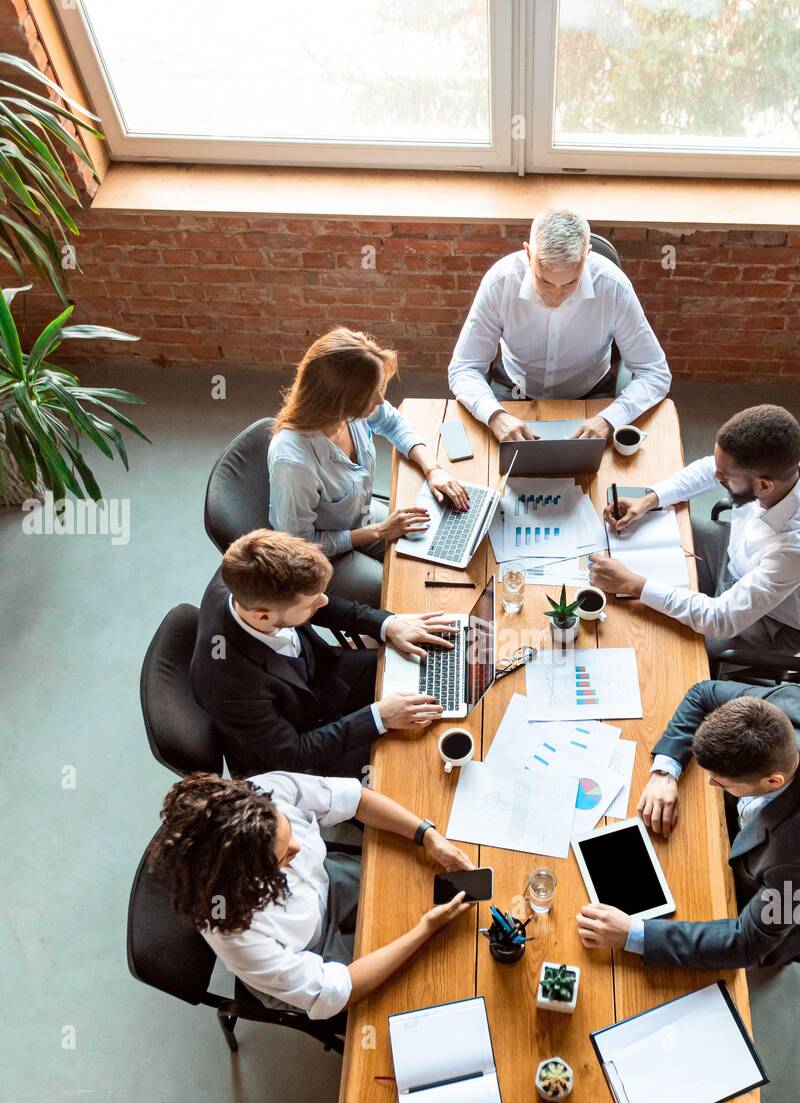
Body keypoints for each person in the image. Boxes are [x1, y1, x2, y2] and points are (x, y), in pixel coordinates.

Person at [576, 682, 800, 970]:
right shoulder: (780, 704)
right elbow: (701, 694)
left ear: (772, 781)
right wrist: (666, 772)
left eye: (720, 781)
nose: (710, 784)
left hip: (767, 896)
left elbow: (747, 944)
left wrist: (633, 934)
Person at [149, 769, 475, 1020]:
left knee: (414, 892)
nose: (298, 847)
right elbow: (339, 990)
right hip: (312, 952)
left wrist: (427, 835)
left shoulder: (265, 791)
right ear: (244, 880)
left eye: (288, 833)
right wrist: (424, 930)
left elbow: (355, 798)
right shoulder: (237, 934)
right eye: (282, 857)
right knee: (430, 982)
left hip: (329, 881)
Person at [589, 404, 800, 667]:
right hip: (740, 556)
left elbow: (719, 619)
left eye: (725, 478)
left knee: (674, 653)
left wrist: (632, 584)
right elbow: (711, 469)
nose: (716, 476)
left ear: (764, 485)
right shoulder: (785, 461)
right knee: (655, 533)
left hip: (776, 618)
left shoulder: (798, 548)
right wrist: (650, 500)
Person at [191, 529, 454, 777]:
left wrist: (388, 625)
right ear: (262, 615)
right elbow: (293, 753)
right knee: (419, 762)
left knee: (428, 667)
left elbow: (315, 601)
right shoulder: (228, 684)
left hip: (321, 677)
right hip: (304, 744)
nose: (324, 601)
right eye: (312, 602)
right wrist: (379, 717)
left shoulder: (249, 577)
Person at [269, 326, 468, 607]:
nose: (381, 400)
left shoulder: (349, 413)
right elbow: (298, 546)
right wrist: (377, 532)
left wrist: (432, 468)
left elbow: (392, 421)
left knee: (437, 549)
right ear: (340, 399)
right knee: (402, 594)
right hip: (325, 556)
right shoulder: (293, 462)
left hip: (361, 518)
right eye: (373, 394)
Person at [447, 207, 671, 445]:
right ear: (528, 253)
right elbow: (464, 368)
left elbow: (655, 373)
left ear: (587, 255)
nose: (555, 296)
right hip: (514, 388)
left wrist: (610, 418)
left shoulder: (613, 286)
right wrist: (494, 415)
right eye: (544, 281)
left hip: (590, 394)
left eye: (570, 283)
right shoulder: (500, 283)